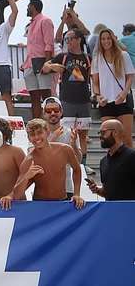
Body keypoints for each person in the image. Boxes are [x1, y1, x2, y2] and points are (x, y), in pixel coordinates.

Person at [0, 119, 84, 209]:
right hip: (40, 204)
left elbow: (77, 169)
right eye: (32, 135)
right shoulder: (29, 160)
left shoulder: (65, 150)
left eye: (39, 133)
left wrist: (77, 194)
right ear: (28, 138)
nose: (36, 137)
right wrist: (26, 177)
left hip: (62, 201)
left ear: (47, 132)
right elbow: (16, 195)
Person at [43, 30, 92, 169]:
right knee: (68, 132)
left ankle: (83, 164)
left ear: (78, 39)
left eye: (70, 39)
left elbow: (91, 76)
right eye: (66, 39)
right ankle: (69, 160)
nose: (68, 42)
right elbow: (44, 68)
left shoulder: (87, 58)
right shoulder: (63, 56)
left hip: (84, 99)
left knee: (83, 134)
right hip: (67, 100)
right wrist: (53, 66)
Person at [91, 28, 134, 147]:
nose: (106, 41)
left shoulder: (123, 55)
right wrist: (98, 96)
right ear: (100, 41)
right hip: (106, 102)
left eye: (108, 38)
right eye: (103, 39)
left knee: (126, 138)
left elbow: (130, 77)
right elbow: (95, 82)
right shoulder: (97, 58)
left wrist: (124, 93)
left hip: (123, 100)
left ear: (113, 39)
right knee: (109, 139)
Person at [42, 97, 82, 197]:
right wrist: (52, 137)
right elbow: (34, 157)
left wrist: (74, 146)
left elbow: (79, 161)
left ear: (61, 112)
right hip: (43, 189)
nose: (52, 113)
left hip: (66, 188)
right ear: (44, 113)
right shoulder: (37, 134)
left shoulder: (70, 133)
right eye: (48, 111)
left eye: (56, 110)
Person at [22, 0, 55, 119]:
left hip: (41, 61)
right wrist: (25, 63)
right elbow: (32, 47)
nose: (26, 8)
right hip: (30, 64)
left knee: (46, 95)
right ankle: (36, 123)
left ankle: (50, 122)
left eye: (28, 6)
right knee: (34, 97)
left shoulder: (45, 21)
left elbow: (49, 44)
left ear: (33, 7)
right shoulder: (30, 25)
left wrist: (47, 63)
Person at [88, 119, 135, 200]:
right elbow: (106, 192)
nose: (100, 136)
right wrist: (97, 190)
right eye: (100, 133)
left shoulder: (132, 156)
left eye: (103, 132)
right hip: (111, 209)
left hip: (130, 210)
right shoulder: (103, 161)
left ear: (115, 132)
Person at [0, 117, 26, 201]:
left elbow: (27, 177)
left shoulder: (16, 152)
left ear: (3, 134)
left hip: (17, 204)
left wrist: (11, 195)